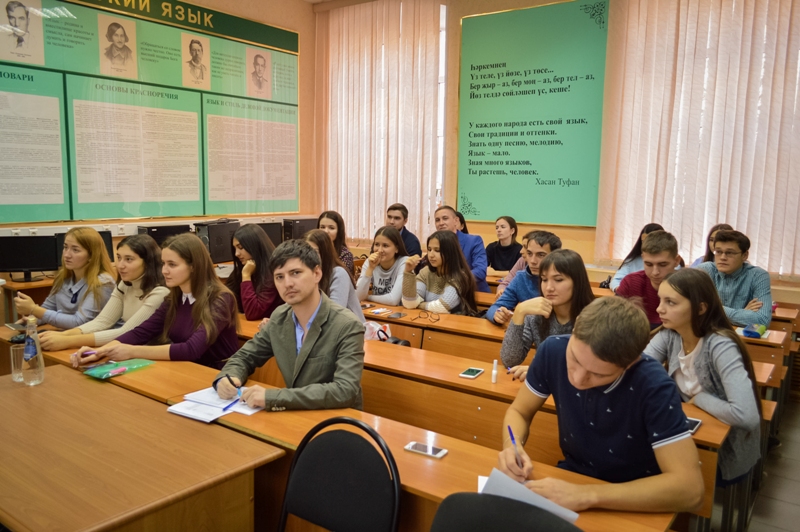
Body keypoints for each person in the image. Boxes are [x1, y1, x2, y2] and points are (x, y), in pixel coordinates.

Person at [497, 297, 704, 513]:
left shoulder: (654, 385)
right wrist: (512, 445)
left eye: (598, 374)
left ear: (630, 364)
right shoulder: (553, 350)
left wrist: (587, 495)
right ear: (575, 327)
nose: (578, 379)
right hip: (572, 480)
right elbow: (519, 412)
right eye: (575, 359)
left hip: (634, 497)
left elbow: (690, 490)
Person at [213, 239, 365, 411]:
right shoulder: (279, 317)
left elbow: (345, 390)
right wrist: (228, 377)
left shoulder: (347, 325)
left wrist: (273, 397)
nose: (287, 283)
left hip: (336, 418)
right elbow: (245, 356)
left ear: (317, 273)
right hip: (296, 415)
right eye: (279, 277)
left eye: (295, 273)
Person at [644, 268, 762, 485]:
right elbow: (639, 371)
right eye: (661, 300)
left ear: (700, 308)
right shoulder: (670, 334)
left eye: (671, 302)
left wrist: (699, 399)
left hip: (725, 450)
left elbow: (747, 416)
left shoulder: (720, 345)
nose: (659, 309)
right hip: (685, 435)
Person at [74, 233, 239, 370]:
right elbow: (140, 332)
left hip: (217, 375)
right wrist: (100, 352)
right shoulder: (174, 297)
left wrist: (131, 351)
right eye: (163, 264)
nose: (164, 271)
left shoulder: (221, 299)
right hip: (185, 369)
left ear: (193, 266)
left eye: (172, 265)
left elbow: (191, 349)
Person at [38, 235, 169, 351]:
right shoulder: (125, 285)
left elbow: (127, 332)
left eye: (129, 259)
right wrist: (62, 335)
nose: (120, 265)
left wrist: (68, 341)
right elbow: (102, 322)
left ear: (148, 262)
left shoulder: (160, 293)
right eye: (119, 258)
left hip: (149, 352)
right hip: (128, 348)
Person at [500, 249, 595, 380]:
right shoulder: (536, 316)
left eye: (558, 280)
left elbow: (593, 369)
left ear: (577, 282)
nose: (549, 287)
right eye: (544, 279)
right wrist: (519, 312)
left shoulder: (595, 317)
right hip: (545, 387)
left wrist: (542, 370)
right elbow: (509, 360)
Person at [14, 227, 116, 329]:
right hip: (67, 334)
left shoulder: (103, 282)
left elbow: (80, 322)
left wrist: (34, 309)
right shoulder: (63, 277)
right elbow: (48, 308)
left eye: (75, 250)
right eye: (65, 247)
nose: (66, 255)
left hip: (89, 336)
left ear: (91, 256)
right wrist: (32, 319)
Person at [696, 230, 772, 326]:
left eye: (730, 253)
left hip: (740, 335)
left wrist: (713, 308)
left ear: (744, 255)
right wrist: (743, 313)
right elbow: (692, 309)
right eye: (718, 252)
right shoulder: (704, 271)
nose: (723, 257)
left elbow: (762, 320)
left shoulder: (758, 276)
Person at [486, 231, 561, 325]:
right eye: (529, 253)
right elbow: (495, 307)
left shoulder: (565, 281)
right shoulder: (520, 278)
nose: (533, 261)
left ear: (555, 256)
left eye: (541, 255)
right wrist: (497, 314)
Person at [402, 230, 477, 315]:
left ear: (450, 252)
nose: (431, 255)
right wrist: (408, 272)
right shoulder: (426, 272)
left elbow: (442, 307)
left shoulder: (460, 276)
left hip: (454, 321)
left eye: (437, 250)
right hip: (430, 319)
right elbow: (409, 304)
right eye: (429, 249)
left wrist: (419, 305)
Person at [616, 230, 681, 328]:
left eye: (663, 264)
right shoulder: (631, 283)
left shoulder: (687, 286)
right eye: (648, 264)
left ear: (676, 261)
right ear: (643, 258)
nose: (655, 272)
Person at [304, 229, 366, 324]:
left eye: (315, 252)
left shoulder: (338, 273)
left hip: (350, 329)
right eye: (305, 252)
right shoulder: (306, 274)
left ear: (325, 253)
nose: (309, 256)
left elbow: (334, 315)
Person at [226, 224, 282, 321]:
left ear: (254, 246)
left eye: (240, 247)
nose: (236, 254)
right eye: (235, 248)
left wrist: (246, 276)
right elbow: (225, 298)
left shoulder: (273, 272)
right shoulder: (243, 268)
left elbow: (252, 313)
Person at [434, 205, 489, 292]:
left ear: (456, 221)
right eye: (437, 220)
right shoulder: (435, 244)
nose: (441, 223)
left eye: (445, 218)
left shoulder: (474, 241)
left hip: (472, 292)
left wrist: (454, 280)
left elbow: (480, 271)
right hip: (442, 292)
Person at [356, 226, 408, 306]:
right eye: (377, 244)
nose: (380, 250)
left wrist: (368, 297)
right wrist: (370, 268)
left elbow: (393, 300)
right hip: (377, 309)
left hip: (399, 311)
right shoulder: (370, 262)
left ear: (397, 248)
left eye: (385, 246)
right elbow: (358, 296)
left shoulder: (404, 262)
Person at [610, 223, 664, 292]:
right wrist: (622, 290)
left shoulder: (670, 261)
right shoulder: (632, 261)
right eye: (644, 241)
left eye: (662, 264)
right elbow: (616, 280)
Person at [317, 210, 355, 277]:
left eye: (331, 228)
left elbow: (341, 278)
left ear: (339, 231)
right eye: (322, 227)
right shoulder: (314, 249)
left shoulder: (345, 255)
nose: (326, 231)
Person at [494, 234, 529, 300]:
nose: (521, 251)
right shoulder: (522, 260)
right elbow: (505, 283)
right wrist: (501, 291)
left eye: (525, 247)